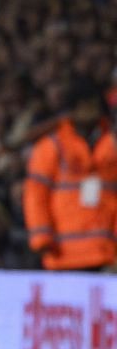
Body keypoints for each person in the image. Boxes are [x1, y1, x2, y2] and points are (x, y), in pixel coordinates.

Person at [23, 78, 117, 271]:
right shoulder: (51, 147)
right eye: (84, 104)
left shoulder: (112, 145)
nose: (90, 109)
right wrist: (41, 237)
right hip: (61, 254)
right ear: (73, 108)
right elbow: (36, 195)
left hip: (105, 253)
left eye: (93, 104)